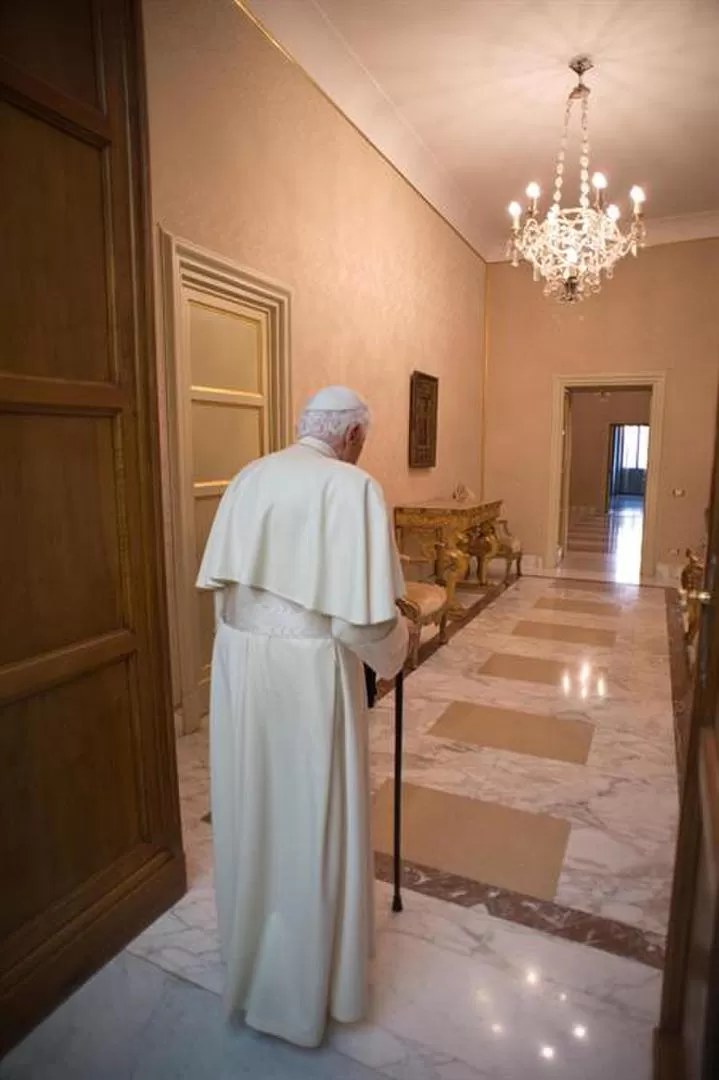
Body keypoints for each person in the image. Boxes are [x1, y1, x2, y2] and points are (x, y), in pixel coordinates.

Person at [196, 386, 409, 1048]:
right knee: (312, 812)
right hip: (309, 674)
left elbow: (224, 592)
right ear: (350, 437)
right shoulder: (352, 488)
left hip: (240, 664)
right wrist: (401, 649)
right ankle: (310, 986)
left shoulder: (249, 476)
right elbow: (361, 618)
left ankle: (253, 964)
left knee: (254, 806)